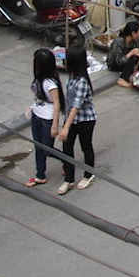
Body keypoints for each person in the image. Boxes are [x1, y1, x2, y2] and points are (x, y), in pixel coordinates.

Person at [58, 45, 97, 195]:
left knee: (86, 146)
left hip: (85, 120)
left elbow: (75, 106)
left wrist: (66, 127)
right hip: (72, 119)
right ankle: (69, 179)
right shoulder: (73, 77)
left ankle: (88, 174)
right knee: (66, 148)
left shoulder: (82, 82)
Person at [26, 48, 64, 187]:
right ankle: (40, 175)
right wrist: (32, 107)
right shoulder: (38, 79)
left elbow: (57, 104)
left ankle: (67, 160)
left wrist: (55, 125)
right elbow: (38, 97)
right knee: (38, 147)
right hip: (36, 116)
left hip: (47, 119)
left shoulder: (50, 83)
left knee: (47, 149)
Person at [107, 20, 139, 88]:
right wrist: (131, 53)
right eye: (138, 32)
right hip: (114, 64)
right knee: (132, 57)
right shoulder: (118, 42)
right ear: (133, 33)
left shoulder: (134, 41)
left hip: (125, 61)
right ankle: (122, 79)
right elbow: (118, 61)